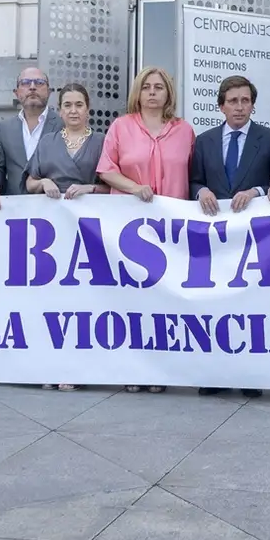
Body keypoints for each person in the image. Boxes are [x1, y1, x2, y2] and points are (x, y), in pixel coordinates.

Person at [99, 66, 197, 393]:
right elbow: (105, 169)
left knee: (166, 298)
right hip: (129, 227)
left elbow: (195, 174)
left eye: (159, 87)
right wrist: (134, 186)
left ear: (169, 93)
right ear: (137, 93)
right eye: (146, 87)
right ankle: (133, 367)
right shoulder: (121, 127)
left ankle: (163, 369)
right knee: (132, 298)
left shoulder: (184, 131)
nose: (153, 92)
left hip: (171, 227)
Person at [189, 75, 270, 400]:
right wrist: (201, 190)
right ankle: (215, 374)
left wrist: (257, 191)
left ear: (253, 105)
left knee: (251, 306)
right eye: (233, 101)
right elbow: (193, 182)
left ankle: (249, 374)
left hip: (254, 240)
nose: (240, 107)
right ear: (221, 106)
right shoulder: (203, 142)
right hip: (215, 239)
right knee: (214, 306)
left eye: (245, 101)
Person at [26, 82, 108, 391]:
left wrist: (90, 188)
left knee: (85, 302)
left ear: (88, 109)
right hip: (51, 234)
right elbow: (28, 181)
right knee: (52, 300)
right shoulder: (47, 142)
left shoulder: (102, 141)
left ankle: (80, 369)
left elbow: (113, 185)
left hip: (89, 231)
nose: (73, 110)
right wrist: (44, 181)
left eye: (79, 105)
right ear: (59, 111)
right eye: (67, 105)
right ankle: (49, 365)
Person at [0, 66, 60, 213]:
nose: (32, 87)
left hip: (53, 208)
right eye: (25, 83)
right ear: (16, 93)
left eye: (39, 82)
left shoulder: (63, 125)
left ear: (49, 91)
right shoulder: (5, 128)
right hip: (14, 209)